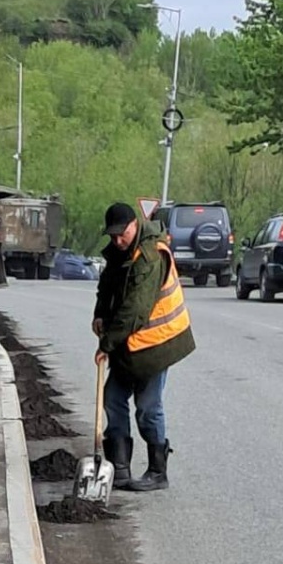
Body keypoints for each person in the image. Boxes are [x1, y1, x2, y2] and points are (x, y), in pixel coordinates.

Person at [92, 202, 195, 491]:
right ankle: (119, 467)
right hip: (130, 343)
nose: (117, 241)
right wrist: (100, 313)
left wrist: (107, 344)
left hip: (156, 343)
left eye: (122, 234)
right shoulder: (119, 252)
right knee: (112, 397)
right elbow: (107, 287)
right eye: (112, 236)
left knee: (147, 409)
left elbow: (135, 310)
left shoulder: (150, 257)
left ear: (135, 225)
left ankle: (157, 471)